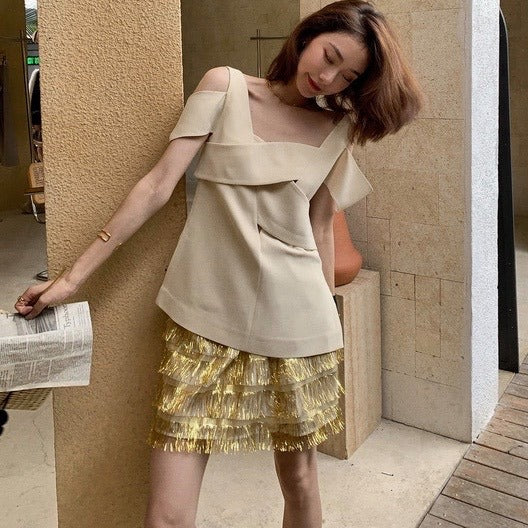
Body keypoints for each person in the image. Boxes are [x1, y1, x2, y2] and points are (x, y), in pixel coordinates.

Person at [14, 1, 424, 527]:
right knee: (166, 513)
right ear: (307, 35)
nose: (326, 79)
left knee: (301, 481)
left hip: (298, 320)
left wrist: (329, 329)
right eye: (329, 56)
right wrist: (72, 278)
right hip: (202, 317)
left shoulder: (335, 130)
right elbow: (157, 187)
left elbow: (321, 227)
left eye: (346, 76)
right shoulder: (224, 86)